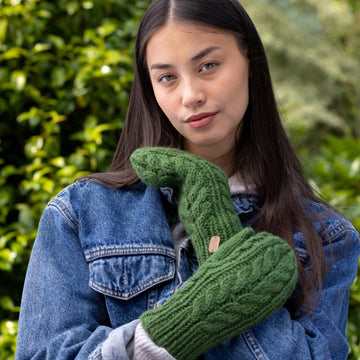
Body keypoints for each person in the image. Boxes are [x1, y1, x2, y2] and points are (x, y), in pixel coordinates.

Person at [15, 0, 360, 359]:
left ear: (251, 65)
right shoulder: (81, 213)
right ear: (151, 88)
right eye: (167, 77)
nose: (191, 95)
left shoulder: (326, 238)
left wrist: (216, 225)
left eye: (208, 65)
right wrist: (167, 334)